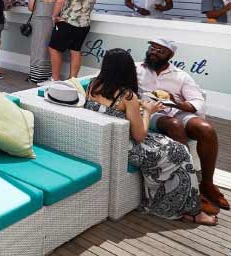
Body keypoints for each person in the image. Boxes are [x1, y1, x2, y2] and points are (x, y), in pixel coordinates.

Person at [84, 48, 216, 225]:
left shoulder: (93, 85)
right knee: (181, 152)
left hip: (105, 141)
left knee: (176, 150)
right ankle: (190, 210)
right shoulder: (127, 95)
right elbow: (139, 135)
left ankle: (176, 201)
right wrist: (148, 111)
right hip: (128, 147)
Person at [137, 38, 229, 213]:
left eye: (160, 50)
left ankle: (207, 184)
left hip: (175, 110)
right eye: (152, 47)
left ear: (170, 55)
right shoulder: (136, 69)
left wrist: (175, 103)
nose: (154, 52)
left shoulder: (180, 76)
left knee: (206, 129)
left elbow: (198, 102)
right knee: (175, 125)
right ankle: (190, 188)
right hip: (150, 113)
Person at [45, 0, 97, 84]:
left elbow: (60, 1)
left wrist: (54, 16)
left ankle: (55, 79)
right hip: (84, 25)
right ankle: (72, 82)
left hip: (68, 22)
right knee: (75, 51)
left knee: (53, 48)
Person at [26, 0, 60, 83]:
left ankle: (36, 77)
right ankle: (48, 75)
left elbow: (30, 7)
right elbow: (62, 7)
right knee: (49, 48)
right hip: (52, 22)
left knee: (37, 48)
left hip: (38, 22)